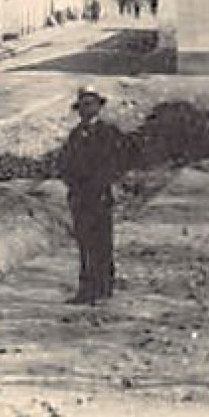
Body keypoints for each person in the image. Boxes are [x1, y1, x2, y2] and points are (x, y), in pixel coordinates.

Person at [54, 86, 128, 304]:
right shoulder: (75, 135)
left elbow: (117, 162)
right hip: (80, 198)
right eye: (83, 106)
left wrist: (105, 183)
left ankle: (104, 287)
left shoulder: (108, 133)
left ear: (98, 107)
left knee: (102, 242)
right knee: (84, 243)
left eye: (91, 104)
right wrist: (72, 184)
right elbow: (65, 163)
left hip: (100, 195)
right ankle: (86, 288)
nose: (86, 109)